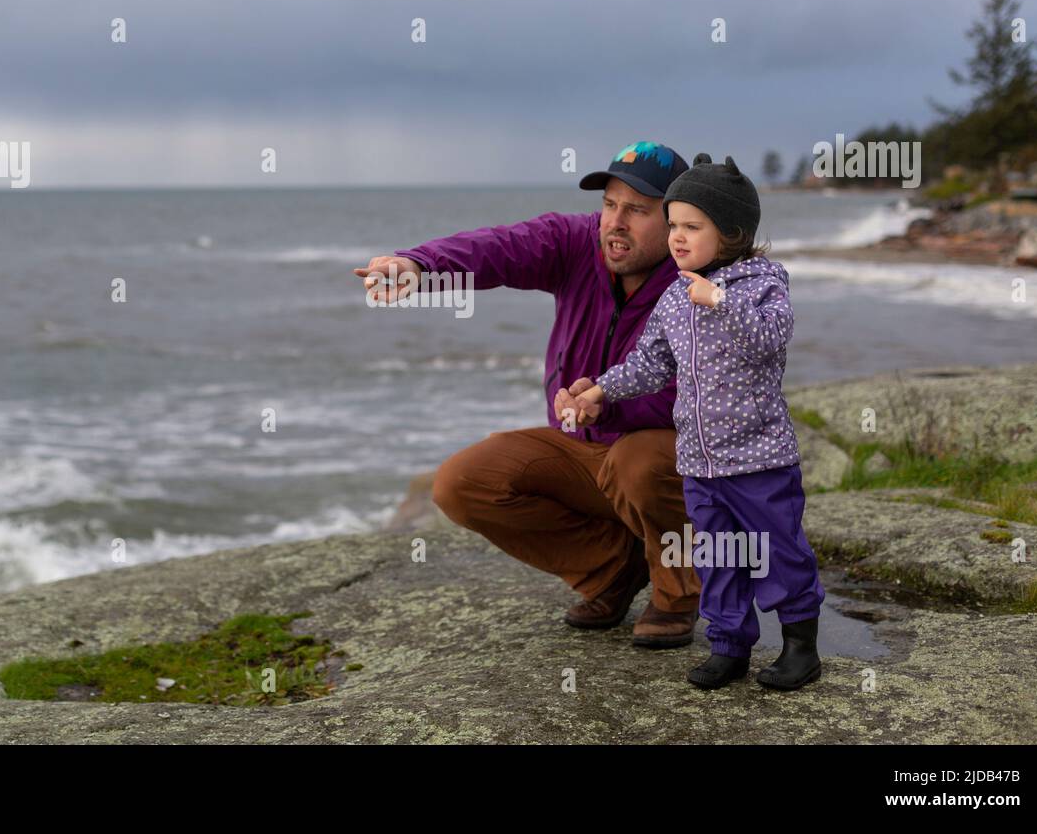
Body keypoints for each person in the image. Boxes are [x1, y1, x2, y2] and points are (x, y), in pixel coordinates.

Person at [353, 141, 702, 647]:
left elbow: (705, 396)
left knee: (638, 463)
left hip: (664, 463)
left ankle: (676, 594)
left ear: (676, 223)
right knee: (462, 482)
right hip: (584, 452)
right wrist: (420, 267)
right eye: (609, 204)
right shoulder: (576, 243)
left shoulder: (700, 282)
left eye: (637, 210)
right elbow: (496, 249)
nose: (615, 222)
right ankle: (612, 569)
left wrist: (608, 397)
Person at [557, 154, 825, 690]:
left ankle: (800, 647)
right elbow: (650, 363)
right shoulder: (676, 295)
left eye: (691, 226)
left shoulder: (762, 282)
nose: (677, 236)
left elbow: (770, 339)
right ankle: (729, 647)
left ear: (731, 232)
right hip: (699, 464)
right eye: (673, 224)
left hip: (759, 462)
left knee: (777, 551)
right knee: (719, 558)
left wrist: (720, 301)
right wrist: (601, 391)